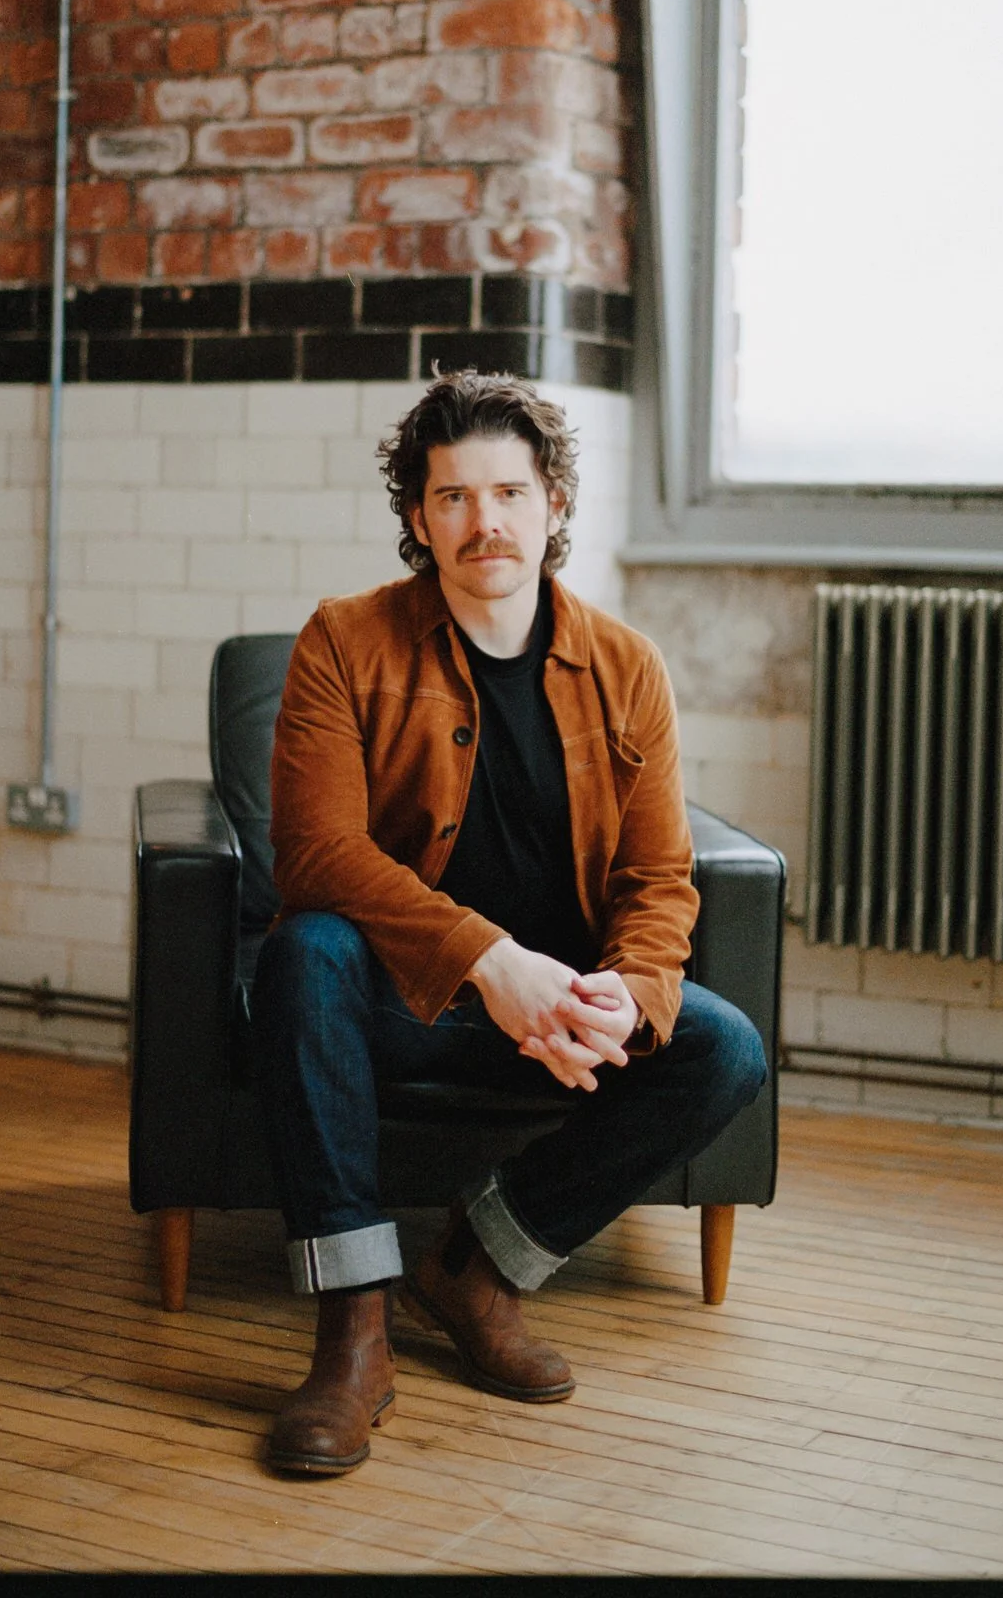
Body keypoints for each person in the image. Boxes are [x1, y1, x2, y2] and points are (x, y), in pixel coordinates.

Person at [252, 368, 767, 1475]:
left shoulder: (627, 666)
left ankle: (476, 1266)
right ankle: (352, 1329)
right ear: (414, 518)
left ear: (554, 504)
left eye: (508, 492)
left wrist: (625, 988)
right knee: (305, 950)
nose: (483, 520)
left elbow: (658, 874)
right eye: (451, 497)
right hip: (412, 1002)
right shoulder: (343, 640)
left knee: (722, 1044)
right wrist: (487, 960)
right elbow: (315, 854)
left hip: (567, 1016)